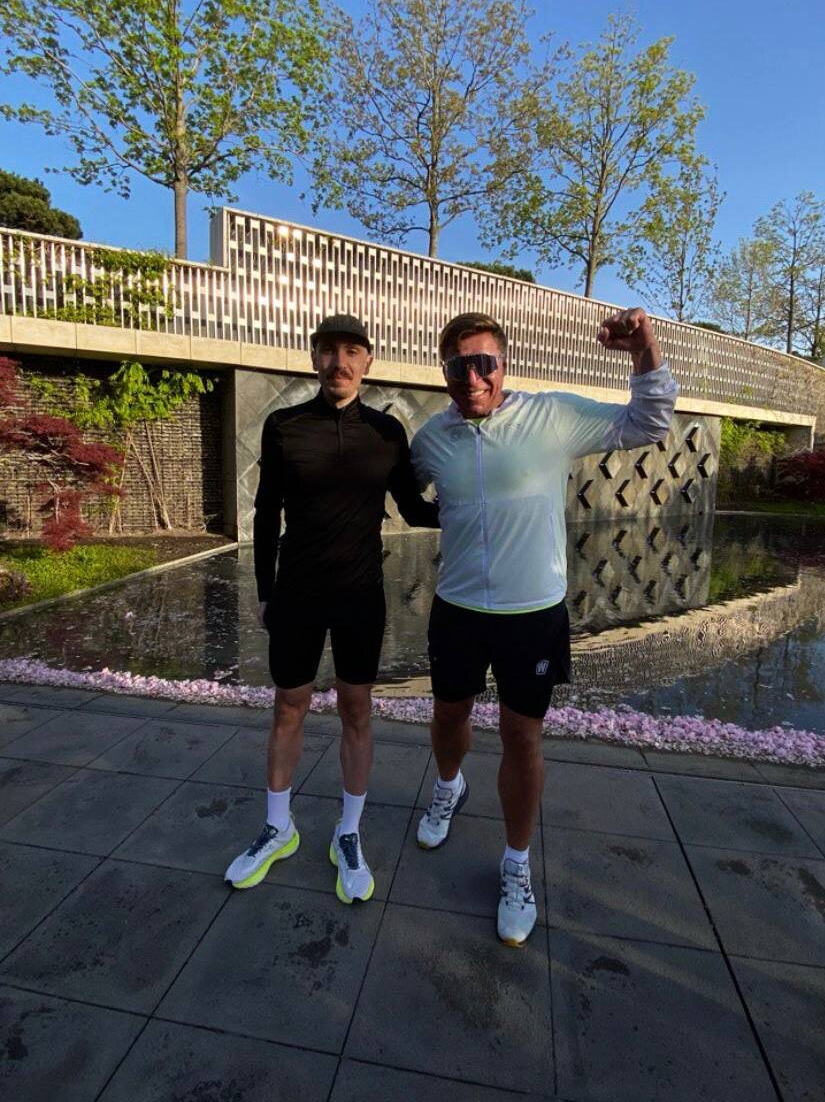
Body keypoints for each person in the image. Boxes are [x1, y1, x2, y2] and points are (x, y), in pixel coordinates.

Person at [410, 307, 678, 946]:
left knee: (521, 736)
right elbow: (403, 490)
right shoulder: (431, 440)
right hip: (458, 608)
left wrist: (644, 348)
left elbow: (648, 421)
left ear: (504, 364)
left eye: (484, 363)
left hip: (532, 613)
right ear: (444, 372)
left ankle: (515, 863)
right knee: (448, 715)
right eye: (458, 366)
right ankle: (449, 787)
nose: (472, 377)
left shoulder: (550, 416)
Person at [225, 314, 439, 903]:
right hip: (296, 593)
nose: (339, 363)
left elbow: (413, 509)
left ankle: (348, 832)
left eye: (351, 351)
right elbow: (266, 513)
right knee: (288, 705)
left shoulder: (387, 432)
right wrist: (264, 591)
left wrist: (475, 509)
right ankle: (279, 827)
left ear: (368, 360)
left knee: (357, 709)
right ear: (313, 357)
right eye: (328, 351)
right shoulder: (285, 425)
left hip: (360, 595)